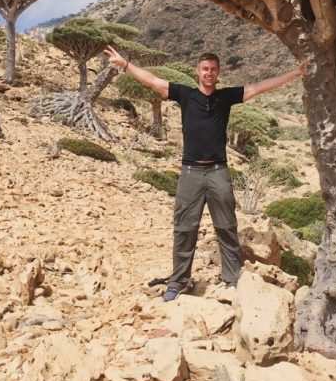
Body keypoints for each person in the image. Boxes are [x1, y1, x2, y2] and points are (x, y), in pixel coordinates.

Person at [105, 45, 307, 301]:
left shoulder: (225, 97)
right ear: (197, 71)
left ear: (218, 72)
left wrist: (294, 73)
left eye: (213, 69)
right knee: (185, 228)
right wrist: (125, 65)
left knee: (226, 226)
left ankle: (232, 279)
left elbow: (259, 87)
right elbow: (154, 81)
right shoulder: (186, 95)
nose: (209, 73)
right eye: (204, 69)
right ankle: (178, 282)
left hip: (218, 172)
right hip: (190, 172)